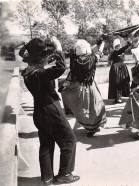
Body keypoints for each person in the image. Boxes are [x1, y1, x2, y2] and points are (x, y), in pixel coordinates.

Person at [19, 37, 79, 185]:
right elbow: (60, 68)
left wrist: (50, 55)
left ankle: (47, 178)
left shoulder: (29, 72)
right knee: (69, 140)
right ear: (40, 59)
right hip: (51, 109)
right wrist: (58, 47)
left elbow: (47, 66)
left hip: (39, 111)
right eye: (46, 56)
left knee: (46, 144)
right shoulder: (41, 74)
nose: (48, 58)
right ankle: (64, 174)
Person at [60, 37, 106, 137]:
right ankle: (92, 128)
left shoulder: (74, 59)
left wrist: (65, 84)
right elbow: (99, 52)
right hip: (90, 86)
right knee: (94, 106)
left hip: (78, 86)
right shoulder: (92, 59)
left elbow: (71, 74)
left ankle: (87, 126)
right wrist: (102, 43)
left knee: (82, 107)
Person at [108, 38, 131, 103]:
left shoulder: (122, 52)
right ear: (114, 46)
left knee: (123, 81)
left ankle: (122, 96)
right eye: (116, 46)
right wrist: (128, 44)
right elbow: (121, 50)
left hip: (122, 68)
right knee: (117, 82)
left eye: (119, 45)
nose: (118, 47)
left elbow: (124, 50)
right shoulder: (114, 52)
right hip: (116, 69)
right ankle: (117, 97)